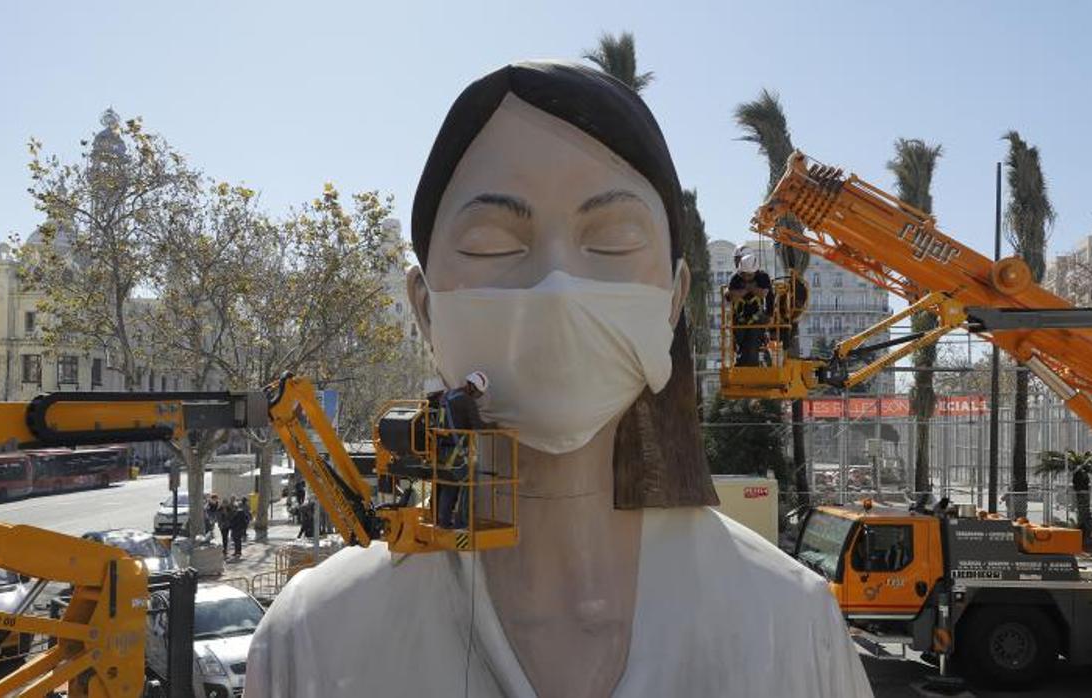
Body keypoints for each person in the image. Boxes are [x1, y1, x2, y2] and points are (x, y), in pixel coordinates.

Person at [246, 61, 871, 698]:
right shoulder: (318, 638)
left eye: (612, 239)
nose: (556, 287)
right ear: (425, 306)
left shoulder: (787, 627)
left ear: (675, 300)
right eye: (493, 243)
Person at [434, 371, 489, 528]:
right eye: (478, 392)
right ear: (471, 387)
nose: (478, 396)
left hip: (441, 450)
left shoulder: (448, 396)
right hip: (455, 452)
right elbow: (478, 426)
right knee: (469, 482)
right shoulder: (467, 401)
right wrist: (496, 426)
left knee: (449, 485)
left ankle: (444, 522)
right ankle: (462, 523)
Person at [726, 251, 774, 366]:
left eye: (749, 275)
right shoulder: (736, 278)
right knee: (741, 343)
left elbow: (763, 294)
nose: (746, 277)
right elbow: (731, 296)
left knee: (753, 343)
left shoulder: (763, 277)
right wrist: (751, 288)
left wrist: (745, 289)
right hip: (740, 319)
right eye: (744, 274)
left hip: (757, 318)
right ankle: (742, 363)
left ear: (755, 272)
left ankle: (751, 365)